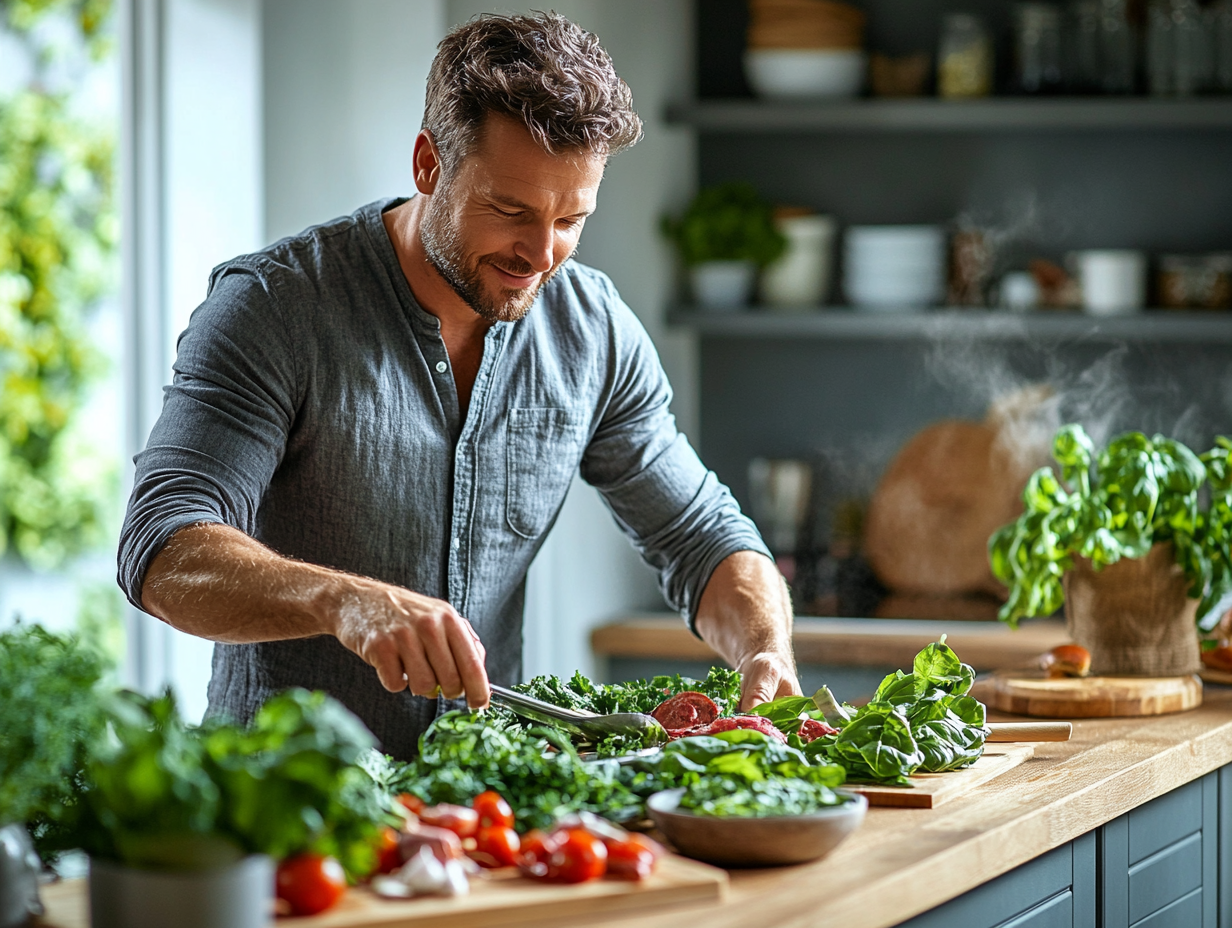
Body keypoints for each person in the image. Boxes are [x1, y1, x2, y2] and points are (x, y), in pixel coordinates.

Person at [118, 11, 799, 758]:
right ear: (428, 165)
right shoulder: (274, 309)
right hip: (286, 808)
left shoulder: (594, 329)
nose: (541, 254)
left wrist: (765, 646)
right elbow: (163, 550)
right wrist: (344, 601)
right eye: (511, 210)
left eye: (571, 218)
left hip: (481, 810)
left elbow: (701, 535)